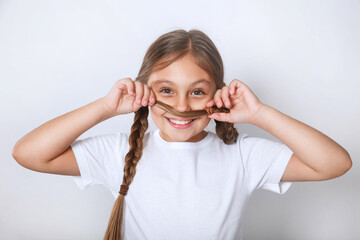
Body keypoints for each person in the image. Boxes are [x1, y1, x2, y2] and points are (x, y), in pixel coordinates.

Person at [12, 29, 352, 240]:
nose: (182, 105)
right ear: (146, 92)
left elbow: (334, 164)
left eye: (197, 92)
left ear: (217, 95)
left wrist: (260, 114)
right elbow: (28, 153)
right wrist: (104, 107)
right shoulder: (118, 153)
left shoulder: (243, 156)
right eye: (166, 90)